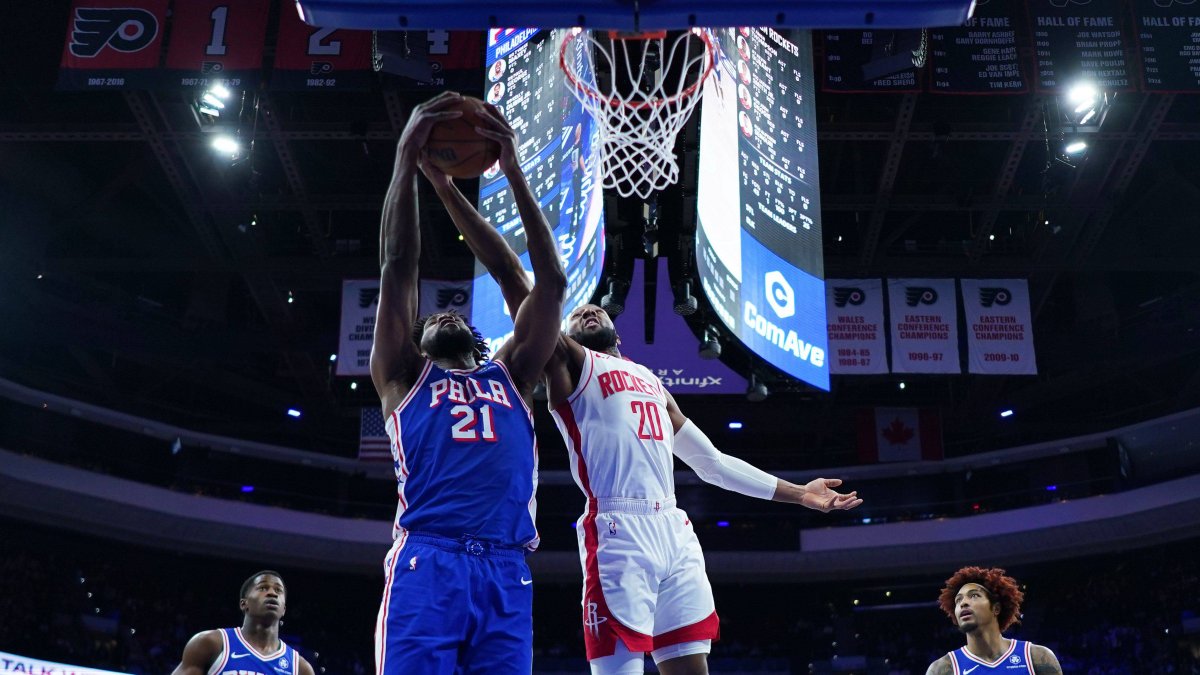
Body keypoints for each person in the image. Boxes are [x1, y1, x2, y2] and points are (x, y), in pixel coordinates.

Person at [446, 238, 861, 672]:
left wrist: (800, 493)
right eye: (575, 316)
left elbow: (713, 463)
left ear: (618, 334)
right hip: (618, 529)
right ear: (560, 338)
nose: (587, 311)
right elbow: (528, 297)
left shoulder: (651, 381)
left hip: (673, 529)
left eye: (596, 309)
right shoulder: (571, 365)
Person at [369, 91, 565, 675]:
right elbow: (399, 263)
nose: (447, 315)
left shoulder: (513, 375)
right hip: (429, 562)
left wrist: (509, 177)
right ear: (418, 340)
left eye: (455, 316)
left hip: (507, 570)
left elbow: (543, 281)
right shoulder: (404, 376)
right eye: (433, 319)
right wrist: (407, 161)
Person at [171, 570, 315, 675]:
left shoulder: (299, 668)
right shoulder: (211, 643)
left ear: (283, 609)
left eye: (278, 590)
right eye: (263, 588)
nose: (272, 593)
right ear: (243, 604)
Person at [926, 566, 1063, 675]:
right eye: (958, 600)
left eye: (974, 595)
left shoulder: (1036, 657)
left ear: (996, 608)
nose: (963, 603)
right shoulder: (942, 669)